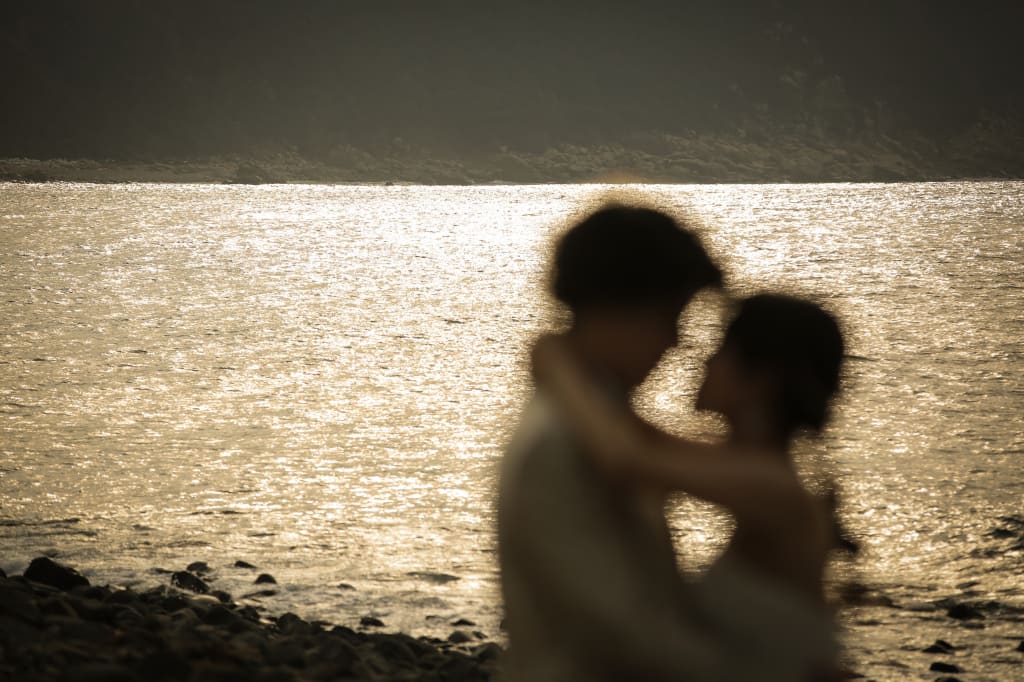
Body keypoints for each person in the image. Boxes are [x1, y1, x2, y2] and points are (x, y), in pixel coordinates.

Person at [531, 293, 850, 681]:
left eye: (721, 351)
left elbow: (626, 460)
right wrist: (582, 369)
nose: (703, 360)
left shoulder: (775, 487)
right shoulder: (751, 466)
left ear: (759, 381)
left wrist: (559, 370)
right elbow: (638, 437)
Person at [497, 204, 751, 682]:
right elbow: (618, 629)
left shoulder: (599, 422)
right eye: (672, 317)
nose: (677, 343)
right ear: (616, 311)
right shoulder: (557, 445)